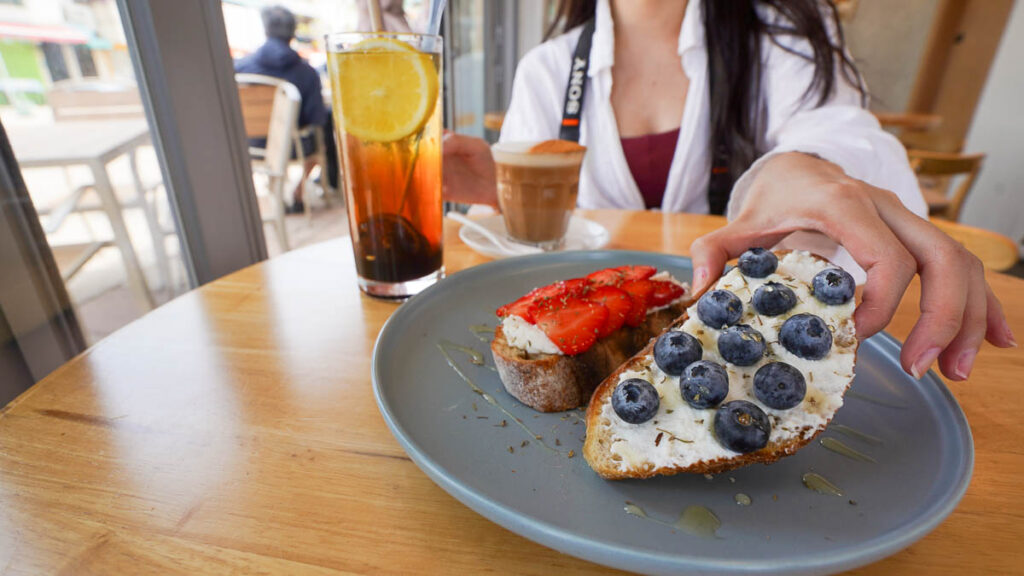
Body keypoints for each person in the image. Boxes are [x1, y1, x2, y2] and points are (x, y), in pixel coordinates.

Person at [443, 0, 1015, 382]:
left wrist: (808, 167)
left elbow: (842, 132)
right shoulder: (545, 68)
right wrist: (499, 192)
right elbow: (547, 225)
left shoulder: (782, 35)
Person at [235, 5, 338, 213]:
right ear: (293, 33)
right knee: (324, 130)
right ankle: (299, 192)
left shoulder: (240, 67)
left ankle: (275, 193)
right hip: (293, 146)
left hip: (250, 145)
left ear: (265, 30)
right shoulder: (307, 73)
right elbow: (315, 118)